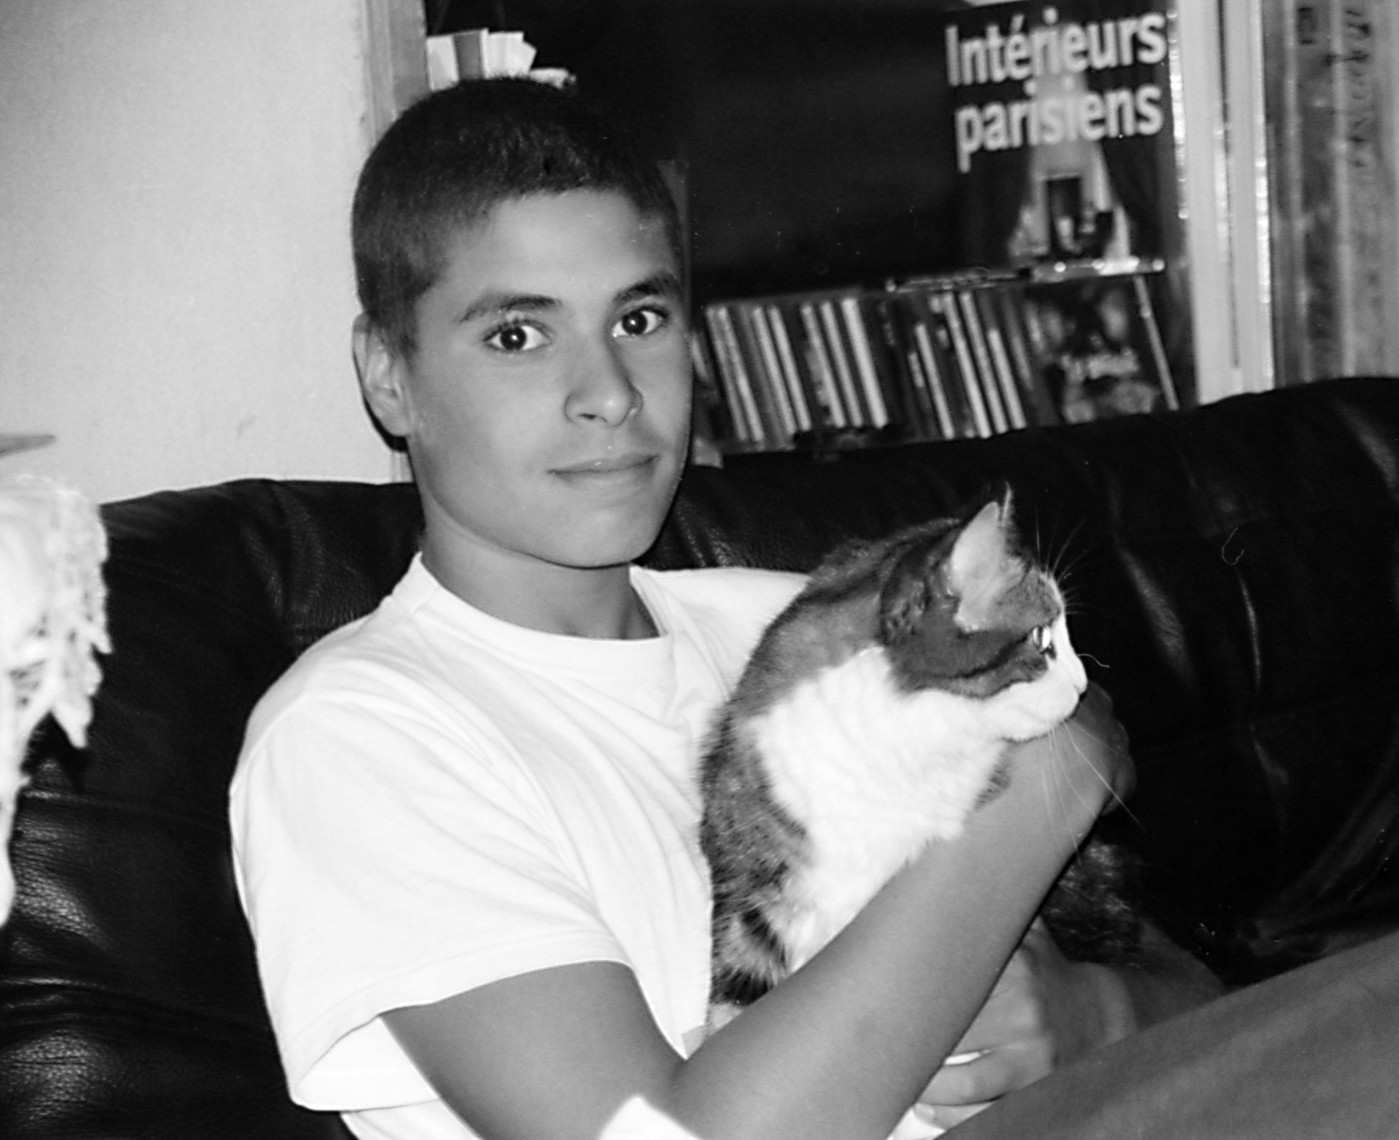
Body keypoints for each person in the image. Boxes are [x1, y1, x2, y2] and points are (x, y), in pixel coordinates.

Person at [228, 77, 1219, 1140]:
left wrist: (1097, 1014)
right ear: (388, 375)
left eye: (639, 318)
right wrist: (1042, 795)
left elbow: (1209, 998)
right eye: (518, 335)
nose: (610, 391)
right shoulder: (358, 736)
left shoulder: (797, 634)